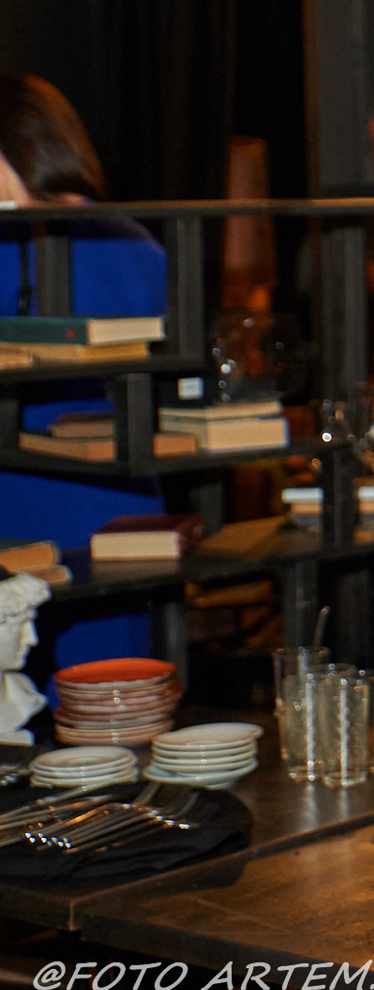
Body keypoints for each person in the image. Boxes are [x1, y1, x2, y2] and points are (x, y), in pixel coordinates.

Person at [0, 72, 167, 666]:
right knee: (110, 695)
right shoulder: (139, 242)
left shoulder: (13, 243)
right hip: (119, 504)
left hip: (27, 497)